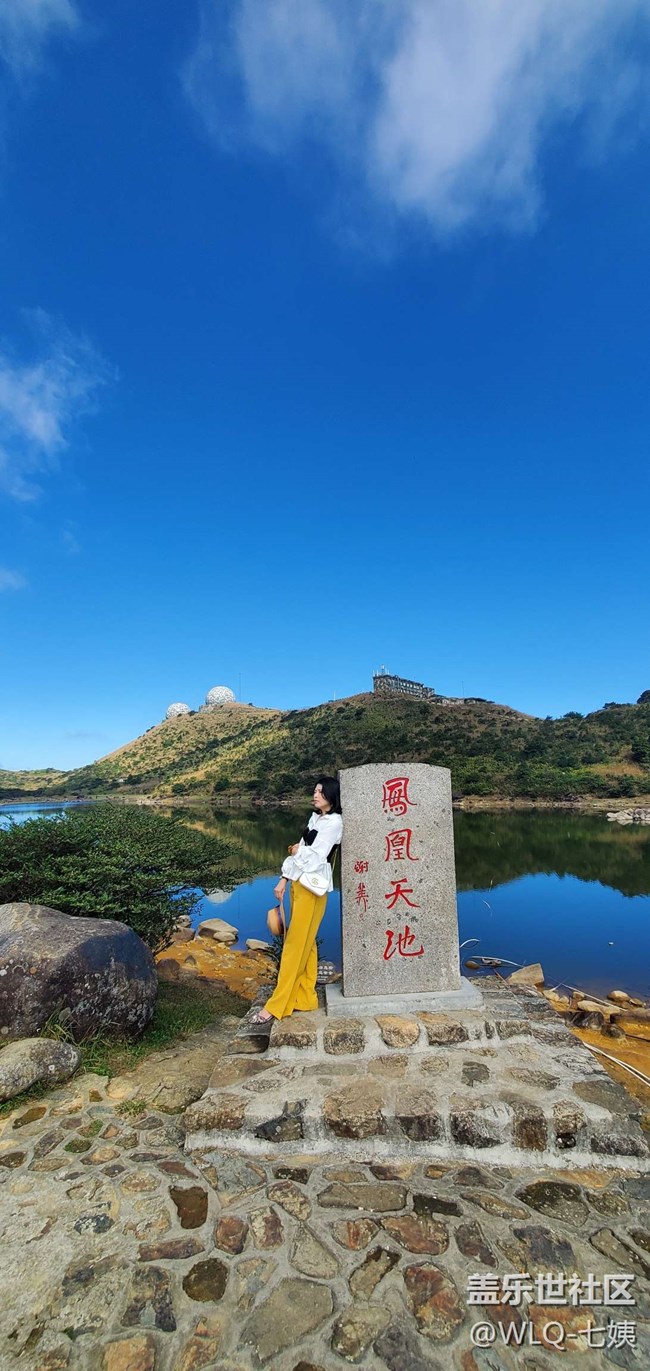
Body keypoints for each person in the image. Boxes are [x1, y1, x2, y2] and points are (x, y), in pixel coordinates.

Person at [250, 776, 342, 1023]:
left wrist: (298, 850)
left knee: (294, 945)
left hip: (313, 889)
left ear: (332, 796)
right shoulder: (315, 819)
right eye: (315, 791)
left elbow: (315, 858)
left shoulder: (334, 823)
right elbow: (300, 855)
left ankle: (277, 1005)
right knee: (307, 943)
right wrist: (283, 879)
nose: (315, 795)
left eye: (320, 792)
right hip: (299, 885)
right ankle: (305, 997)